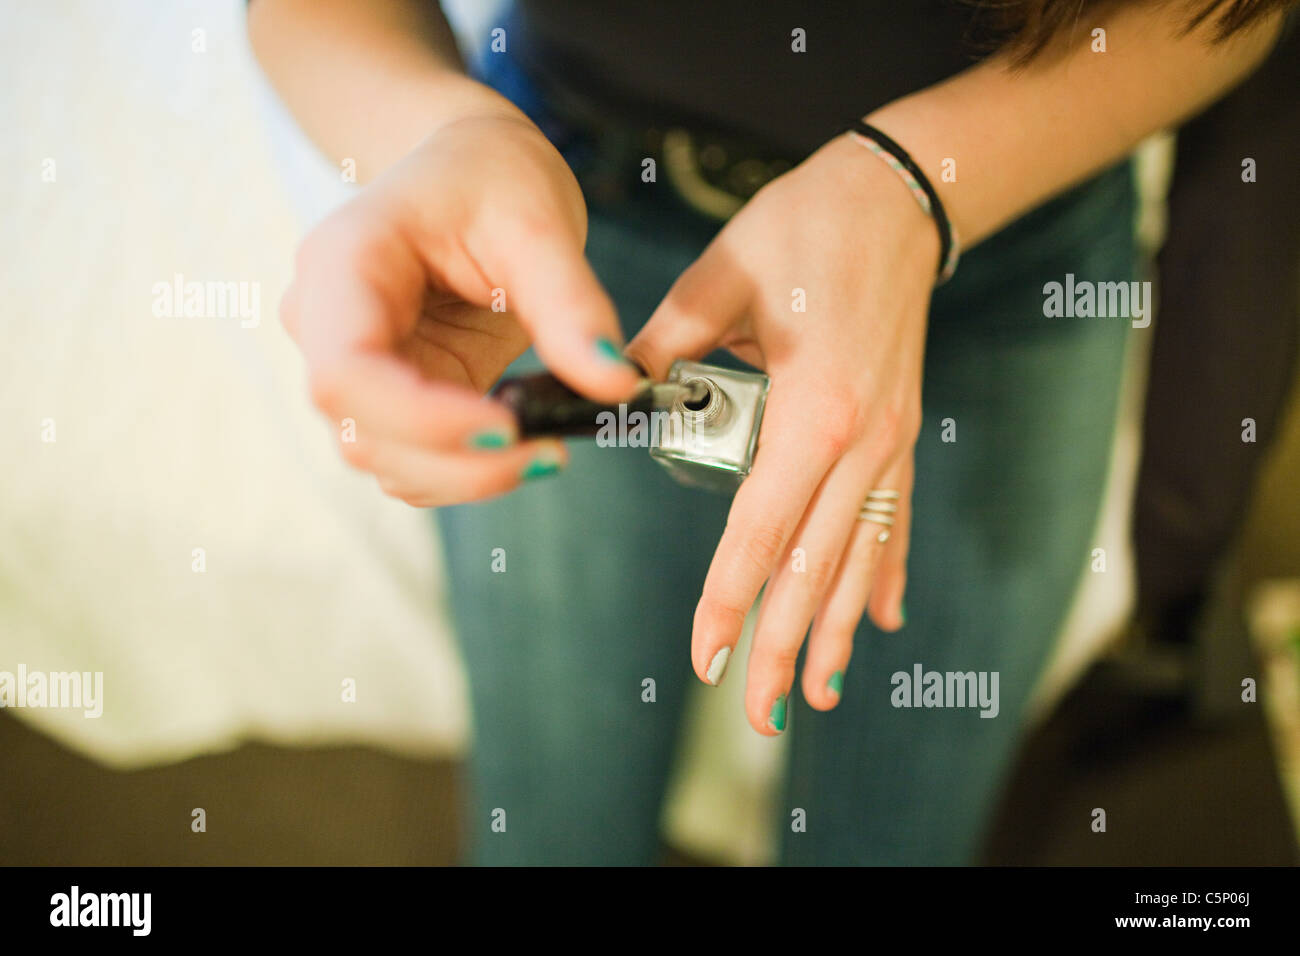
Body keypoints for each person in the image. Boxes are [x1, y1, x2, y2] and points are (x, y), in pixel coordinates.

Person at [249, 0, 1291, 864]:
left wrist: (914, 181)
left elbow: (1236, 12)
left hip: (1009, 231)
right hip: (562, 219)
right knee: (556, 830)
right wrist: (440, 133)